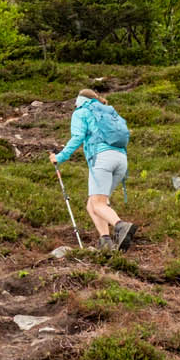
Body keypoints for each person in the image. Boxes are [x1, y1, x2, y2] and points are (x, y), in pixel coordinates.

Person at [51, 88, 134, 249]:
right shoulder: (109, 111)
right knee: (94, 203)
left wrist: (59, 157)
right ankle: (105, 241)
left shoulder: (81, 112)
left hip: (102, 159)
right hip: (121, 160)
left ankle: (121, 226)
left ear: (79, 100)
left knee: (98, 204)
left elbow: (78, 137)